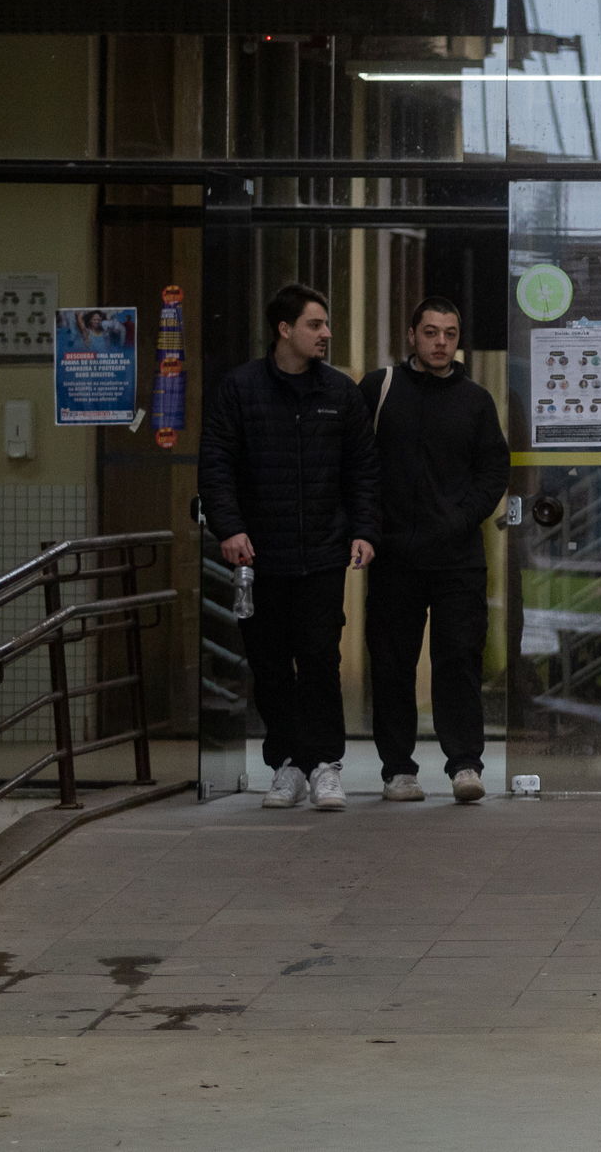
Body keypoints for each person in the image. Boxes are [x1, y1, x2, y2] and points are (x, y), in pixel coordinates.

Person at [199, 282, 380, 812]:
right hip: (258, 556)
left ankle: (326, 766)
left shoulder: (340, 393)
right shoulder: (241, 389)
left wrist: (365, 529)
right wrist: (228, 528)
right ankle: (287, 766)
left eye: (326, 324)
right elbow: (216, 465)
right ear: (285, 329)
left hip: (323, 554)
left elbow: (363, 470)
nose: (326, 334)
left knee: (320, 659)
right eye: (315, 324)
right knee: (270, 665)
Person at [358, 296, 511, 804]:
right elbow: (356, 464)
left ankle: (465, 764)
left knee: (459, 660)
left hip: (458, 558)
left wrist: (461, 517)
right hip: (394, 557)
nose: (440, 342)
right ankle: (398, 770)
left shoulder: (476, 401)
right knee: (392, 664)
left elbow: (494, 470)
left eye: (449, 333)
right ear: (411, 336)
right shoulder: (380, 390)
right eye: (430, 332)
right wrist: (371, 527)